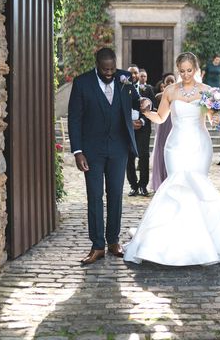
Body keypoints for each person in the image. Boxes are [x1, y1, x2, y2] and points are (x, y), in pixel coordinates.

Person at [124, 52, 220, 266]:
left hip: (199, 145)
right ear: (178, 70)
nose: (186, 75)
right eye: (182, 71)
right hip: (175, 147)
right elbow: (161, 118)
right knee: (176, 186)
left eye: (190, 70)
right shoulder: (170, 91)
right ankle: (172, 241)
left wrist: (217, 117)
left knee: (198, 188)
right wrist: (146, 113)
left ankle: (204, 242)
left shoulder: (207, 91)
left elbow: (212, 118)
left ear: (196, 69)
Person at [67, 47, 145, 265]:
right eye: (105, 70)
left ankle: (113, 241)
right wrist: (78, 151)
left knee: (115, 196)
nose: (109, 73)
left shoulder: (126, 78)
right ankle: (97, 245)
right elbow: (74, 118)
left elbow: (137, 103)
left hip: (119, 149)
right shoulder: (82, 83)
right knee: (94, 196)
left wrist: (140, 118)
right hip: (91, 151)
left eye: (112, 69)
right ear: (97, 65)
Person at [126, 65, 156, 197]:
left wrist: (142, 121)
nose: (133, 75)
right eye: (131, 73)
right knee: (129, 157)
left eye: (135, 73)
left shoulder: (148, 89)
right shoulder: (122, 88)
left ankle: (143, 186)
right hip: (128, 128)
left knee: (144, 156)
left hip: (143, 128)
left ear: (139, 75)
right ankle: (133, 186)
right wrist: (129, 123)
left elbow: (152, 107)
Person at [149, 72, 176, 192]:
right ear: (163, 84)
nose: (170, 84)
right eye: (167, 82)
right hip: (163, 123)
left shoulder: (179, 94)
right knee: (161, 148)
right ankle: (160, 180)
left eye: (172, 81)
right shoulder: (162, 95)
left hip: (174, 123)